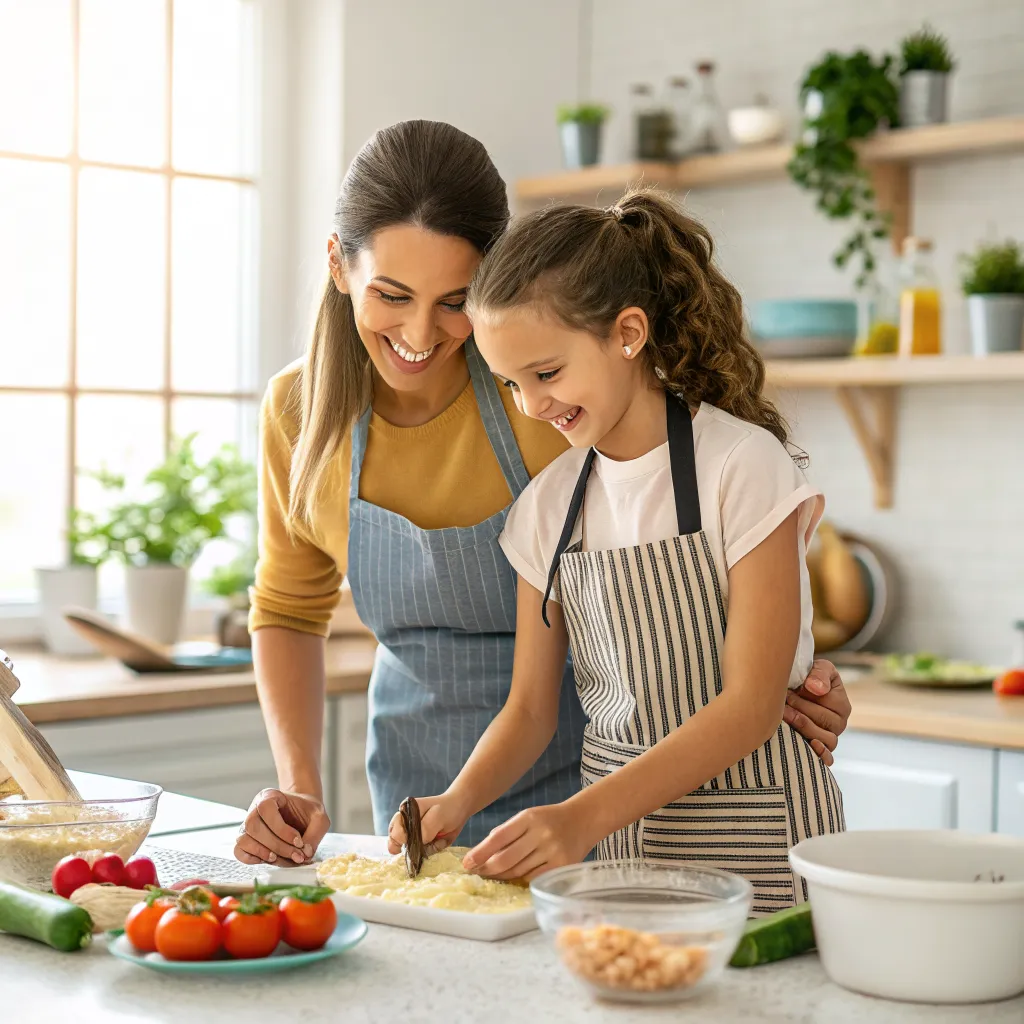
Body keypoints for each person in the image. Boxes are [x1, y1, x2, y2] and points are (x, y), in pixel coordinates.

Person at [236, 120, 851, 868]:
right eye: (391, 294)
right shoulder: (544, 477)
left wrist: (795, 672)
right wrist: (319, 788)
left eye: (454, 300)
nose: (422, 335)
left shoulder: (634, 436)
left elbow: (736, 666)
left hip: (603, 798)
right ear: (338, 265)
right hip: (435, 780)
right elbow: (290, 610)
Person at [390, 188, 844, 913]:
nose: (532, 405)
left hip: (756, 839)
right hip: (622, 853)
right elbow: (530, 711)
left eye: (547, 373)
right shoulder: (547, 509)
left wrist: (583, 815)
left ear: (627, 332)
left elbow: (752, 707)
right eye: (510, 384)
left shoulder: (742, 467)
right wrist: (457, 796)